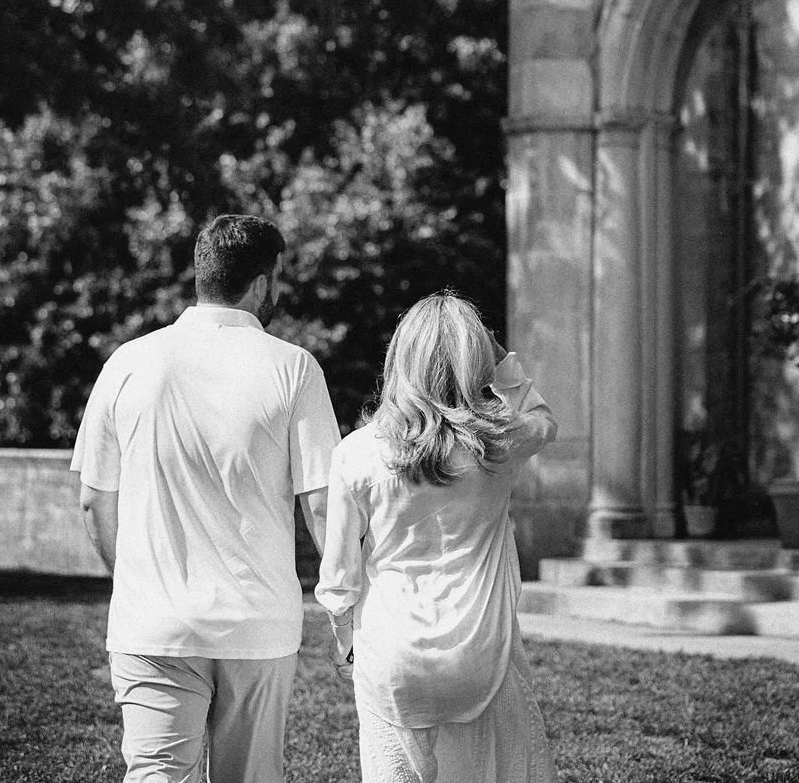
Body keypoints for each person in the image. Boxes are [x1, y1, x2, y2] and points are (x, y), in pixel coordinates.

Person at [71, 213, 340, 783]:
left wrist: (137, 580)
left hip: (154, 623)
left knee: (156, 775)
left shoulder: (128, 362)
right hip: (258, 623)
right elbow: (322, 505)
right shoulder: (294, 368)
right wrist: (349, 600)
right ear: (265, 281)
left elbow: (95, 501)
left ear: (203, 274)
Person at [315, 291, 557, 783]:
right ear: (477, 360)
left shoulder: (356, 454)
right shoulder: (501, 444)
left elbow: (339, 582)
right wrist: (502, 362)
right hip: (482, 654)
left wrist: (347, 650)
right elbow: (545, 420)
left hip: (390, 657)